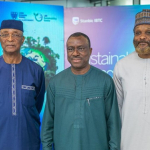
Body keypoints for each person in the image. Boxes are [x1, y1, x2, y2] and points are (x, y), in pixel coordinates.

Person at [41, 32, 121, 150]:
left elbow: (113, 123)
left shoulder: (105, 81)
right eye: (70, 49)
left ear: (90, 50)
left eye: (81, 48)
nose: (75, 53)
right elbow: (48, 123)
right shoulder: (55, 82)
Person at [0, 20, 45, 150]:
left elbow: (37, 105)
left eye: (15, 35)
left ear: (23, 39)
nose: (10, 39)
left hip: (27, 140)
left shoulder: (36, 70)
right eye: (5, 34)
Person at [113, 9, 150, 150]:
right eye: (138, 33)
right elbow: (117, 110)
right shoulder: (122, 66)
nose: (142, 37)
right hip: (128, 144)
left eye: (148, 32)